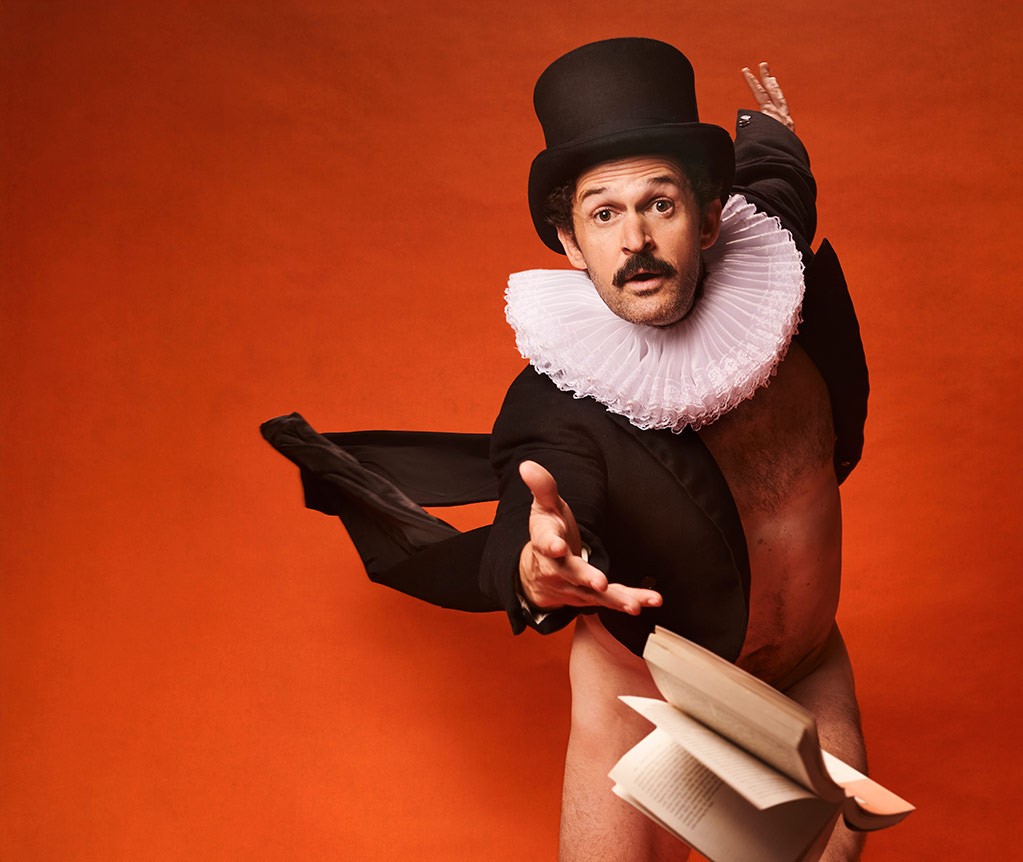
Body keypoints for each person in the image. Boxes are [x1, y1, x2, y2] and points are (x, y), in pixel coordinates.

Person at [263, 37, 871, 861]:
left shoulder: (776, 282)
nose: (637, 242)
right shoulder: (561, 401)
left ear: (710, 213)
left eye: (660, 204)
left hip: (803, 677)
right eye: (604, 213)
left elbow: (778, 189)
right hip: (647, 701)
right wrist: (535, 565)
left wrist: (772, 136)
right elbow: (537, 506)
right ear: (571, 243)